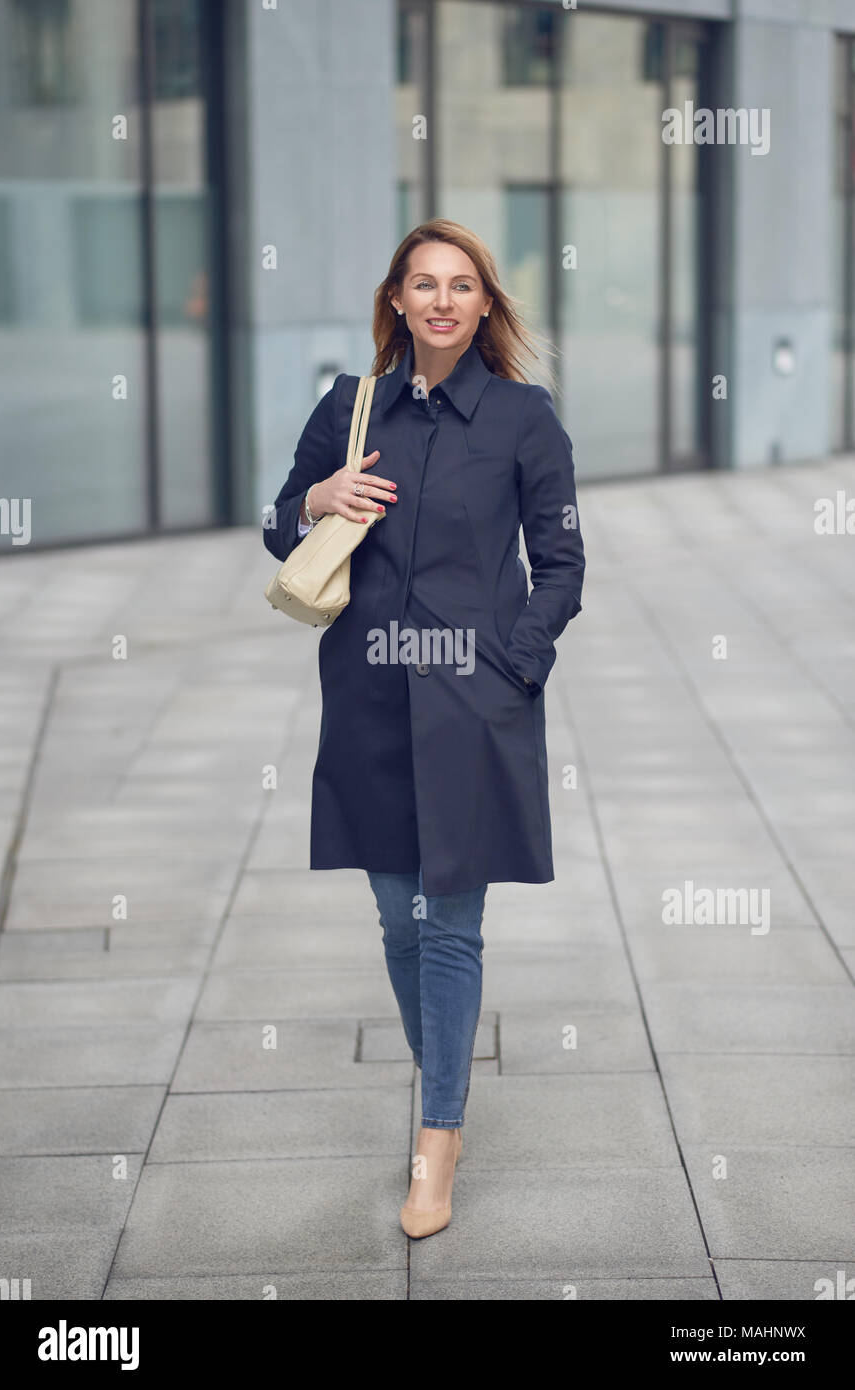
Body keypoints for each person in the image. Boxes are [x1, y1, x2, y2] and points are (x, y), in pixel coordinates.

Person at [263, 218, 585, 1238]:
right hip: (366, 700)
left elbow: (564, 564)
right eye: (423, 284)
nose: (442, 301)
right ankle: (445, 1080)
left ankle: (435, 1137)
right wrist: (317, 493)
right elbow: (280, 522)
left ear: (485, 304)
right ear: (396, 301)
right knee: (396, 921)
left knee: (451, 924)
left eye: (462, 285)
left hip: (470, 709)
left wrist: (513, 668)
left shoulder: (527, 420)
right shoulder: (348, 410)